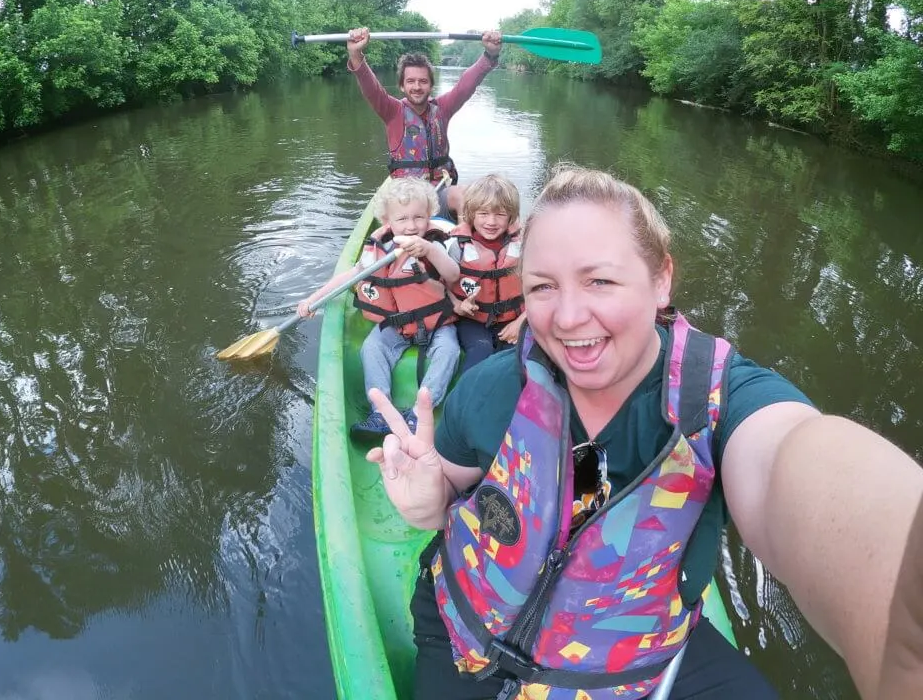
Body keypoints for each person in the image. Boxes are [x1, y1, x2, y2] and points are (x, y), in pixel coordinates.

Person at [364, 165, 923, 700]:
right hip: (465, 631)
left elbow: (791, 459)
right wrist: (426, 502)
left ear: (662, 281)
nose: (567, 317)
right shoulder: (493, 387)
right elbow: (446, 502)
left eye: (599, 280)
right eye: (542, 288)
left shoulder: (723, 403)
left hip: (624, 658)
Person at [297, 177, 461, 440]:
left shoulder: (436, 243)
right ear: (387, 221)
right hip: (396, 325)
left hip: (439, 322)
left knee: (449, 351)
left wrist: (429, 250)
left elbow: (453, 275)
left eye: (418, 217)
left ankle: (419, 414)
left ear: (429, 215)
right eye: (402, 219)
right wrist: (313, 299)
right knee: (371, 348)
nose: (411, 226)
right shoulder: (379, 247)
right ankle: (380, 414)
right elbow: (349, 277)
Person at [347, 26, 503, 223]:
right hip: (406, 198)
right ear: (402, 86)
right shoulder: (392, 111)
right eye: (410, 81)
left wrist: (490, 55)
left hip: (439, 194)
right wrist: (355, 54)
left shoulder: (443, 108)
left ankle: (464, 238)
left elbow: (467, 84)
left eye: (423, 81)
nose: (417, 87)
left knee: (463, 194)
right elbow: (371, 89)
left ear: (431, 85)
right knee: (397, 213)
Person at [444, 174, 526, 373]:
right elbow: (440, 287)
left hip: (514, 318)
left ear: (511, 217)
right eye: (483, 213)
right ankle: (466, 400)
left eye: (500, 214)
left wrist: (521, 321)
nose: (491, 221)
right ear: (471, 214)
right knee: (481, 349)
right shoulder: (456, 247)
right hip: (472, 320)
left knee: (514, 357)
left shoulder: (524, 246)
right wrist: (458, 305)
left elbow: (544, 288)